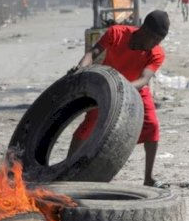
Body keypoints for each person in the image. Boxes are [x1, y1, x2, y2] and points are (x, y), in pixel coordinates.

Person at [68, 10, 170, 188]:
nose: (156, 44)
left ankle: (148, 178)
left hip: (136, 89)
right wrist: (80, 70)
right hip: (106, 86)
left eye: (159, 41)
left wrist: (124, 88)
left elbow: (145, 79)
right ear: (143, 29)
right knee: (87, 128)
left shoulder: (156, 53)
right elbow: (92, 54)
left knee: (152, 126)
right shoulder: (116, 33)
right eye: (154, 39)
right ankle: (67, 170)